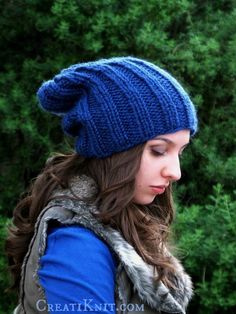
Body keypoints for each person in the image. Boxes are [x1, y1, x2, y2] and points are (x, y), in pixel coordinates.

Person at [6, 56, 198, 314]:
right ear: (114, 151)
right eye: (158, 150)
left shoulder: (123, 218)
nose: (175, 172)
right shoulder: (75, 245)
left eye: (180, 152)